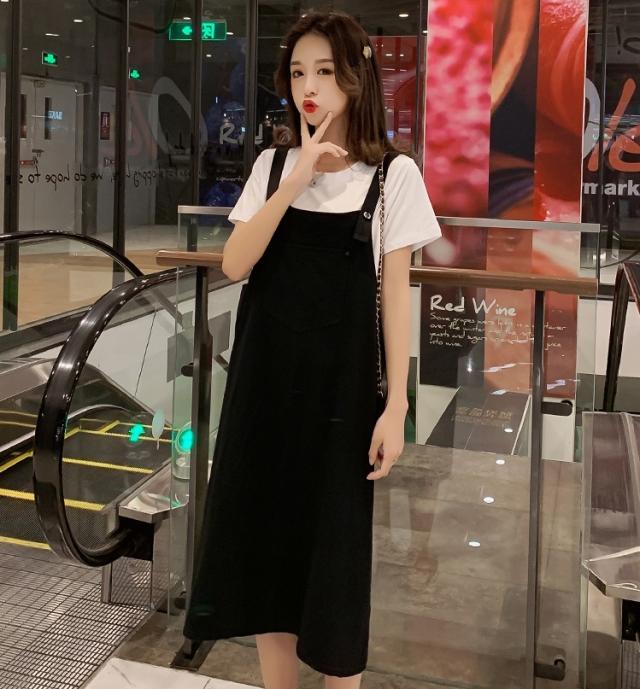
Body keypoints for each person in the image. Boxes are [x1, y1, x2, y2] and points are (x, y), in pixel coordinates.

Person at [183, 10, 441, 689]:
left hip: (342, 400)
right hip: (265, 392)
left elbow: (395, 299)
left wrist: (396, 407)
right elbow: (235, 262)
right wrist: (296, 178)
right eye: (299, 73)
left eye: (326, 71)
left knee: (336, 569)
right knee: (267, 557)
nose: (310, 88)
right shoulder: (272, 167)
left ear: (357, 79)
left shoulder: (393, 175)